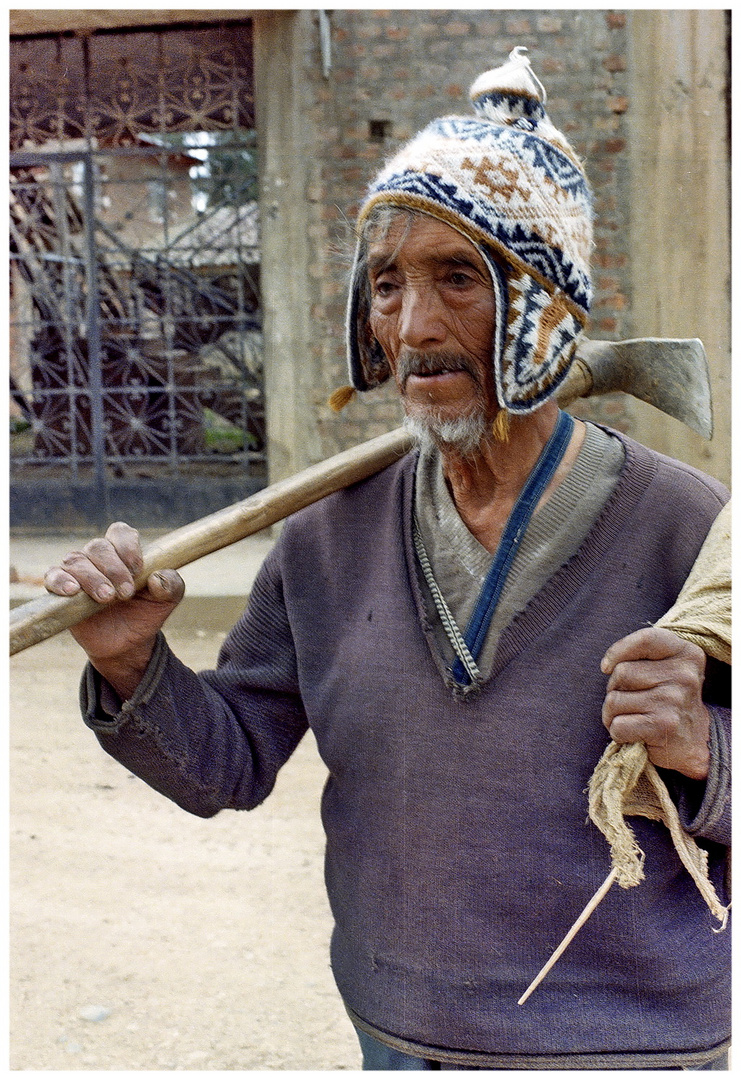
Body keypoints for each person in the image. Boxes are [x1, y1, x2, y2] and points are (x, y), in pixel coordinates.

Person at [45, 49, 730, 1070]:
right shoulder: (327, 537)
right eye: (386, 284)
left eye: (458, 278)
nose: (413, 327)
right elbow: (225, 768)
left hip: (627, 1048)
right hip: (396, 1038)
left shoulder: (691, 529)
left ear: (541, 303)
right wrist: (129, 666)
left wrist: (705, 752)